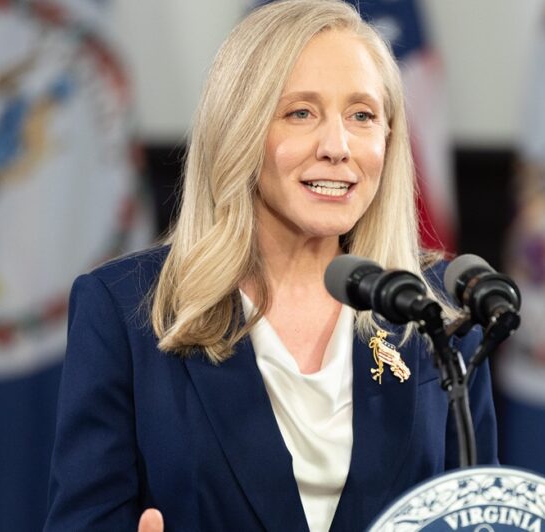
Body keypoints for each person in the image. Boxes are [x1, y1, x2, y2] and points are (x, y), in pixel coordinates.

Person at [44, 1, 496, 530]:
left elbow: (480, 514)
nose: (337, 146)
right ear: (239, 130)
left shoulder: (438, 314)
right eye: (301, 113)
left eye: (362, 116)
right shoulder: (125, 309)